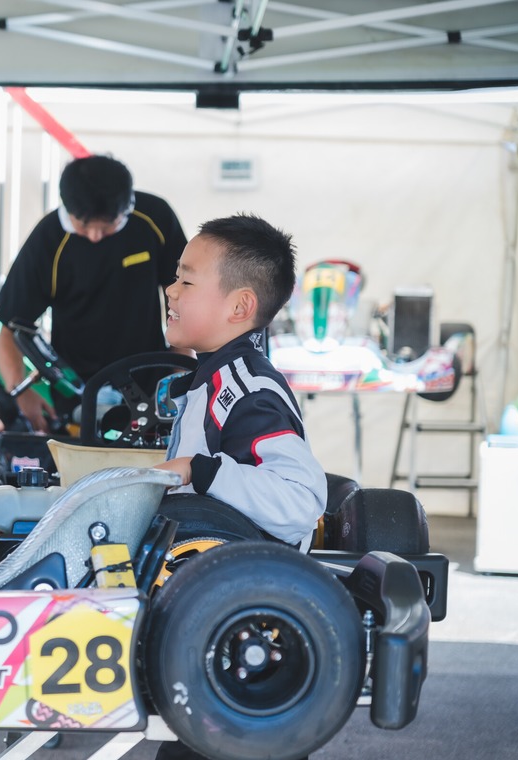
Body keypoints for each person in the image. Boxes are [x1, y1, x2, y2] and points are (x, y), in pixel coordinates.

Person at [151, 213, 327, 760]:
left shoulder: (247, 389)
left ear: (239, 306)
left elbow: (301, 501)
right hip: (209, 618)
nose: (170, 290)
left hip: (243, 629)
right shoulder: (210, 379)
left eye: (186, 279)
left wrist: (200, 470)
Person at [0, 154, 187, 432]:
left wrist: (179, 372)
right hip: (76, 392)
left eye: (107, 226)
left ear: (127, 207)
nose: (95, 236)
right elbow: (10, 329)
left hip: (150, 383)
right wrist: (20, 391)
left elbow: (182, 295)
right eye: (83, 225)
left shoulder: (154, 217)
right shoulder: (49, 239)